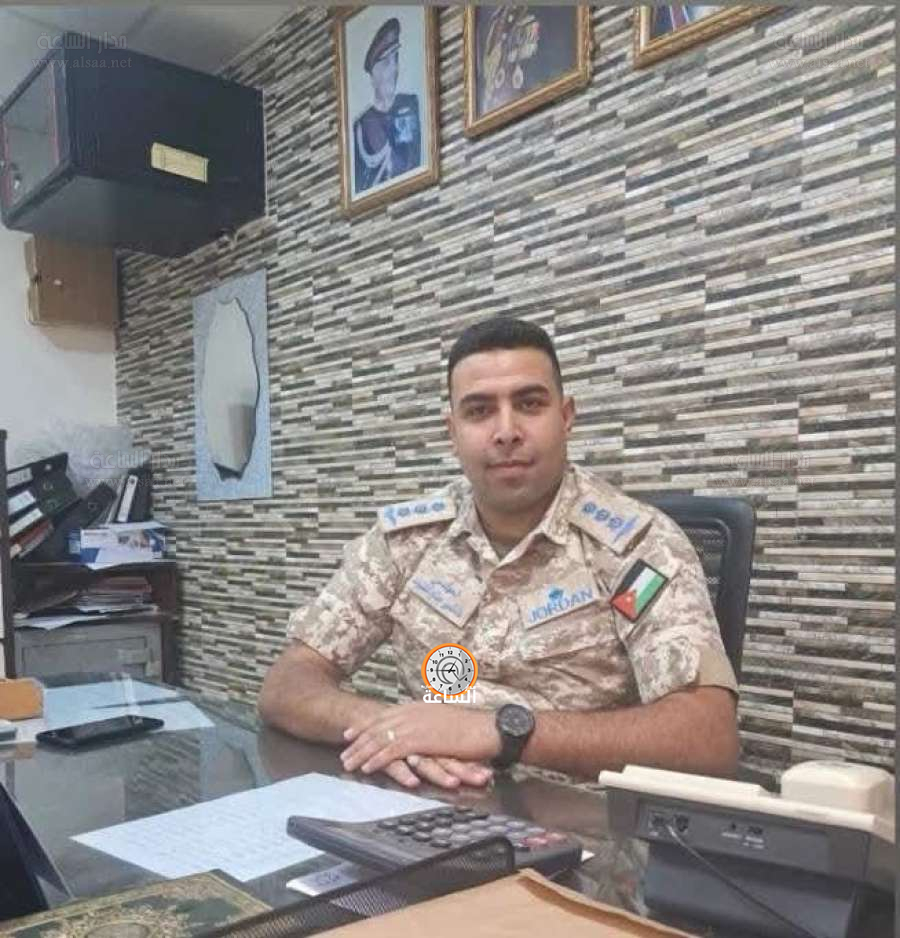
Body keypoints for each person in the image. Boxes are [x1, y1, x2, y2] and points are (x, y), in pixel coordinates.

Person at [260, 318, 740, 792]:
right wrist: (391, 728)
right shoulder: (407, 541)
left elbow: (708, 737)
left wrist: (501, 733)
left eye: (529, 404)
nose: (506, 431)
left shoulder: (637, 546)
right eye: (479, 411)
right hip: (424, 808)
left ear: (566, 417)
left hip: (578, 823)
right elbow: (288, 684)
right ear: (452, 432)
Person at [353, 17, 421, 195]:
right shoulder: (360, 126)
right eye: (385, 63)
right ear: (372, 74)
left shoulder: (410, 106)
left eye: (395, 59)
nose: (394, 69)